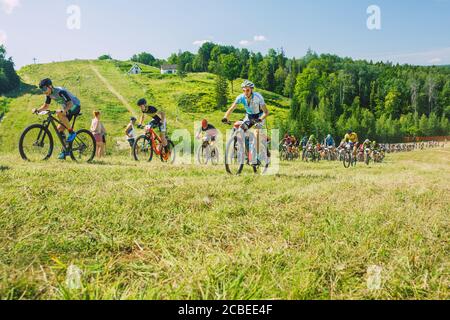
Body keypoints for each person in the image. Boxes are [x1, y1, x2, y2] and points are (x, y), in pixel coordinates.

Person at [33, 78, 81, 160]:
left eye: (44, 88)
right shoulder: (49, 94)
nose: (44, 91)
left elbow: (70, 103)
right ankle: (66, 150)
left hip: (74, 106)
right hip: (67, 108)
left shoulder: (60, 91)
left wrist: (64, 111)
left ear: (50, 86)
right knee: (59, 129)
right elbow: (46, 106)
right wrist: (37, 110)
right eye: (42, 90)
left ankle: (71, 132)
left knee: (59, 113)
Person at [222, 80, 269, 156]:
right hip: (249, 117)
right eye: (244, 90)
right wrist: (225, 117)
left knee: (256, 133)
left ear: (251, 90)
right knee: (240, 130)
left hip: (260, 116)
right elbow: (231, 108)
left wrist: (260, 119)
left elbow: (266, 112)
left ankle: (256, 156)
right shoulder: (240, 97)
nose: (246, 92)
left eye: (248, 90)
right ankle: (248, 154)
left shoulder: (258, 97)